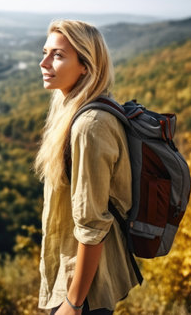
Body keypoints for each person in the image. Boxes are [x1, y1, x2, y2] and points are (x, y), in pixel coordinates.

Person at [34, 20, 139, 314]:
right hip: (73, 274)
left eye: (57, 55)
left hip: (85, 288)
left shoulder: (89, 126)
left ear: (86, 65)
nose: (43, 63)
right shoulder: (74, 112)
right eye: (45, 52)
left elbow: (93, 225)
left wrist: (73, 302)